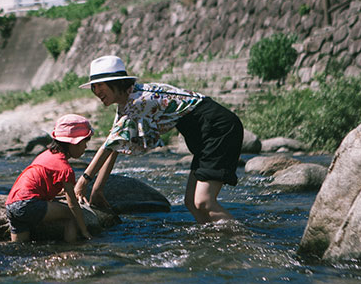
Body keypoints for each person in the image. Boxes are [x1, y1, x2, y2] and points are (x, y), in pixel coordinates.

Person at [74, 55, 243, 224]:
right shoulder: (126, 102)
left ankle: (242, 240)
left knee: (204, 201)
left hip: (218, 128)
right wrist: (97, 190)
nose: (96, 91)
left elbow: (108, 147)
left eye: (100, 85)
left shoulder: (138, 101)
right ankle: (214, 242)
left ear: (116, 83)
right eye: (93, 87)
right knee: (191, 203)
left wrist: (83, 181)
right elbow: (114, 145)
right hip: (204, 135)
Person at [5, 114, 93, 243]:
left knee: (20, 249)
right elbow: (73, 204)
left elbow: (41, 183)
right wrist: (85, 231)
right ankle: (73, 249)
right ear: (73, 143)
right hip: (29, 204)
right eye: (84, 143)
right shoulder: (65, 168)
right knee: (70, 215)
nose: (85, 148)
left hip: (12, 204)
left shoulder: (45, 155)